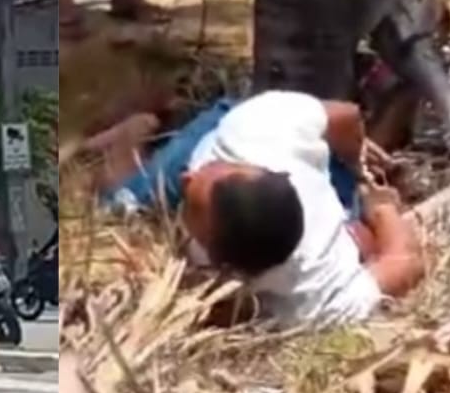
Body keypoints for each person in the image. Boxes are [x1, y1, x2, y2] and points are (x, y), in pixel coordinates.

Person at [92, 91, 427, 326]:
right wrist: (378, 201)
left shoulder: (315, 293)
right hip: (220, 131)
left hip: (313, 178)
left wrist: (376, 201)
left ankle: (128, 137)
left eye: (190, 205)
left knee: (120, 207)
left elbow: (406, 267)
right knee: (122, 211)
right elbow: (345, 114)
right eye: (202, 179)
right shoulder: (253, 131)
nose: (188, 175)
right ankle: (149, 133)